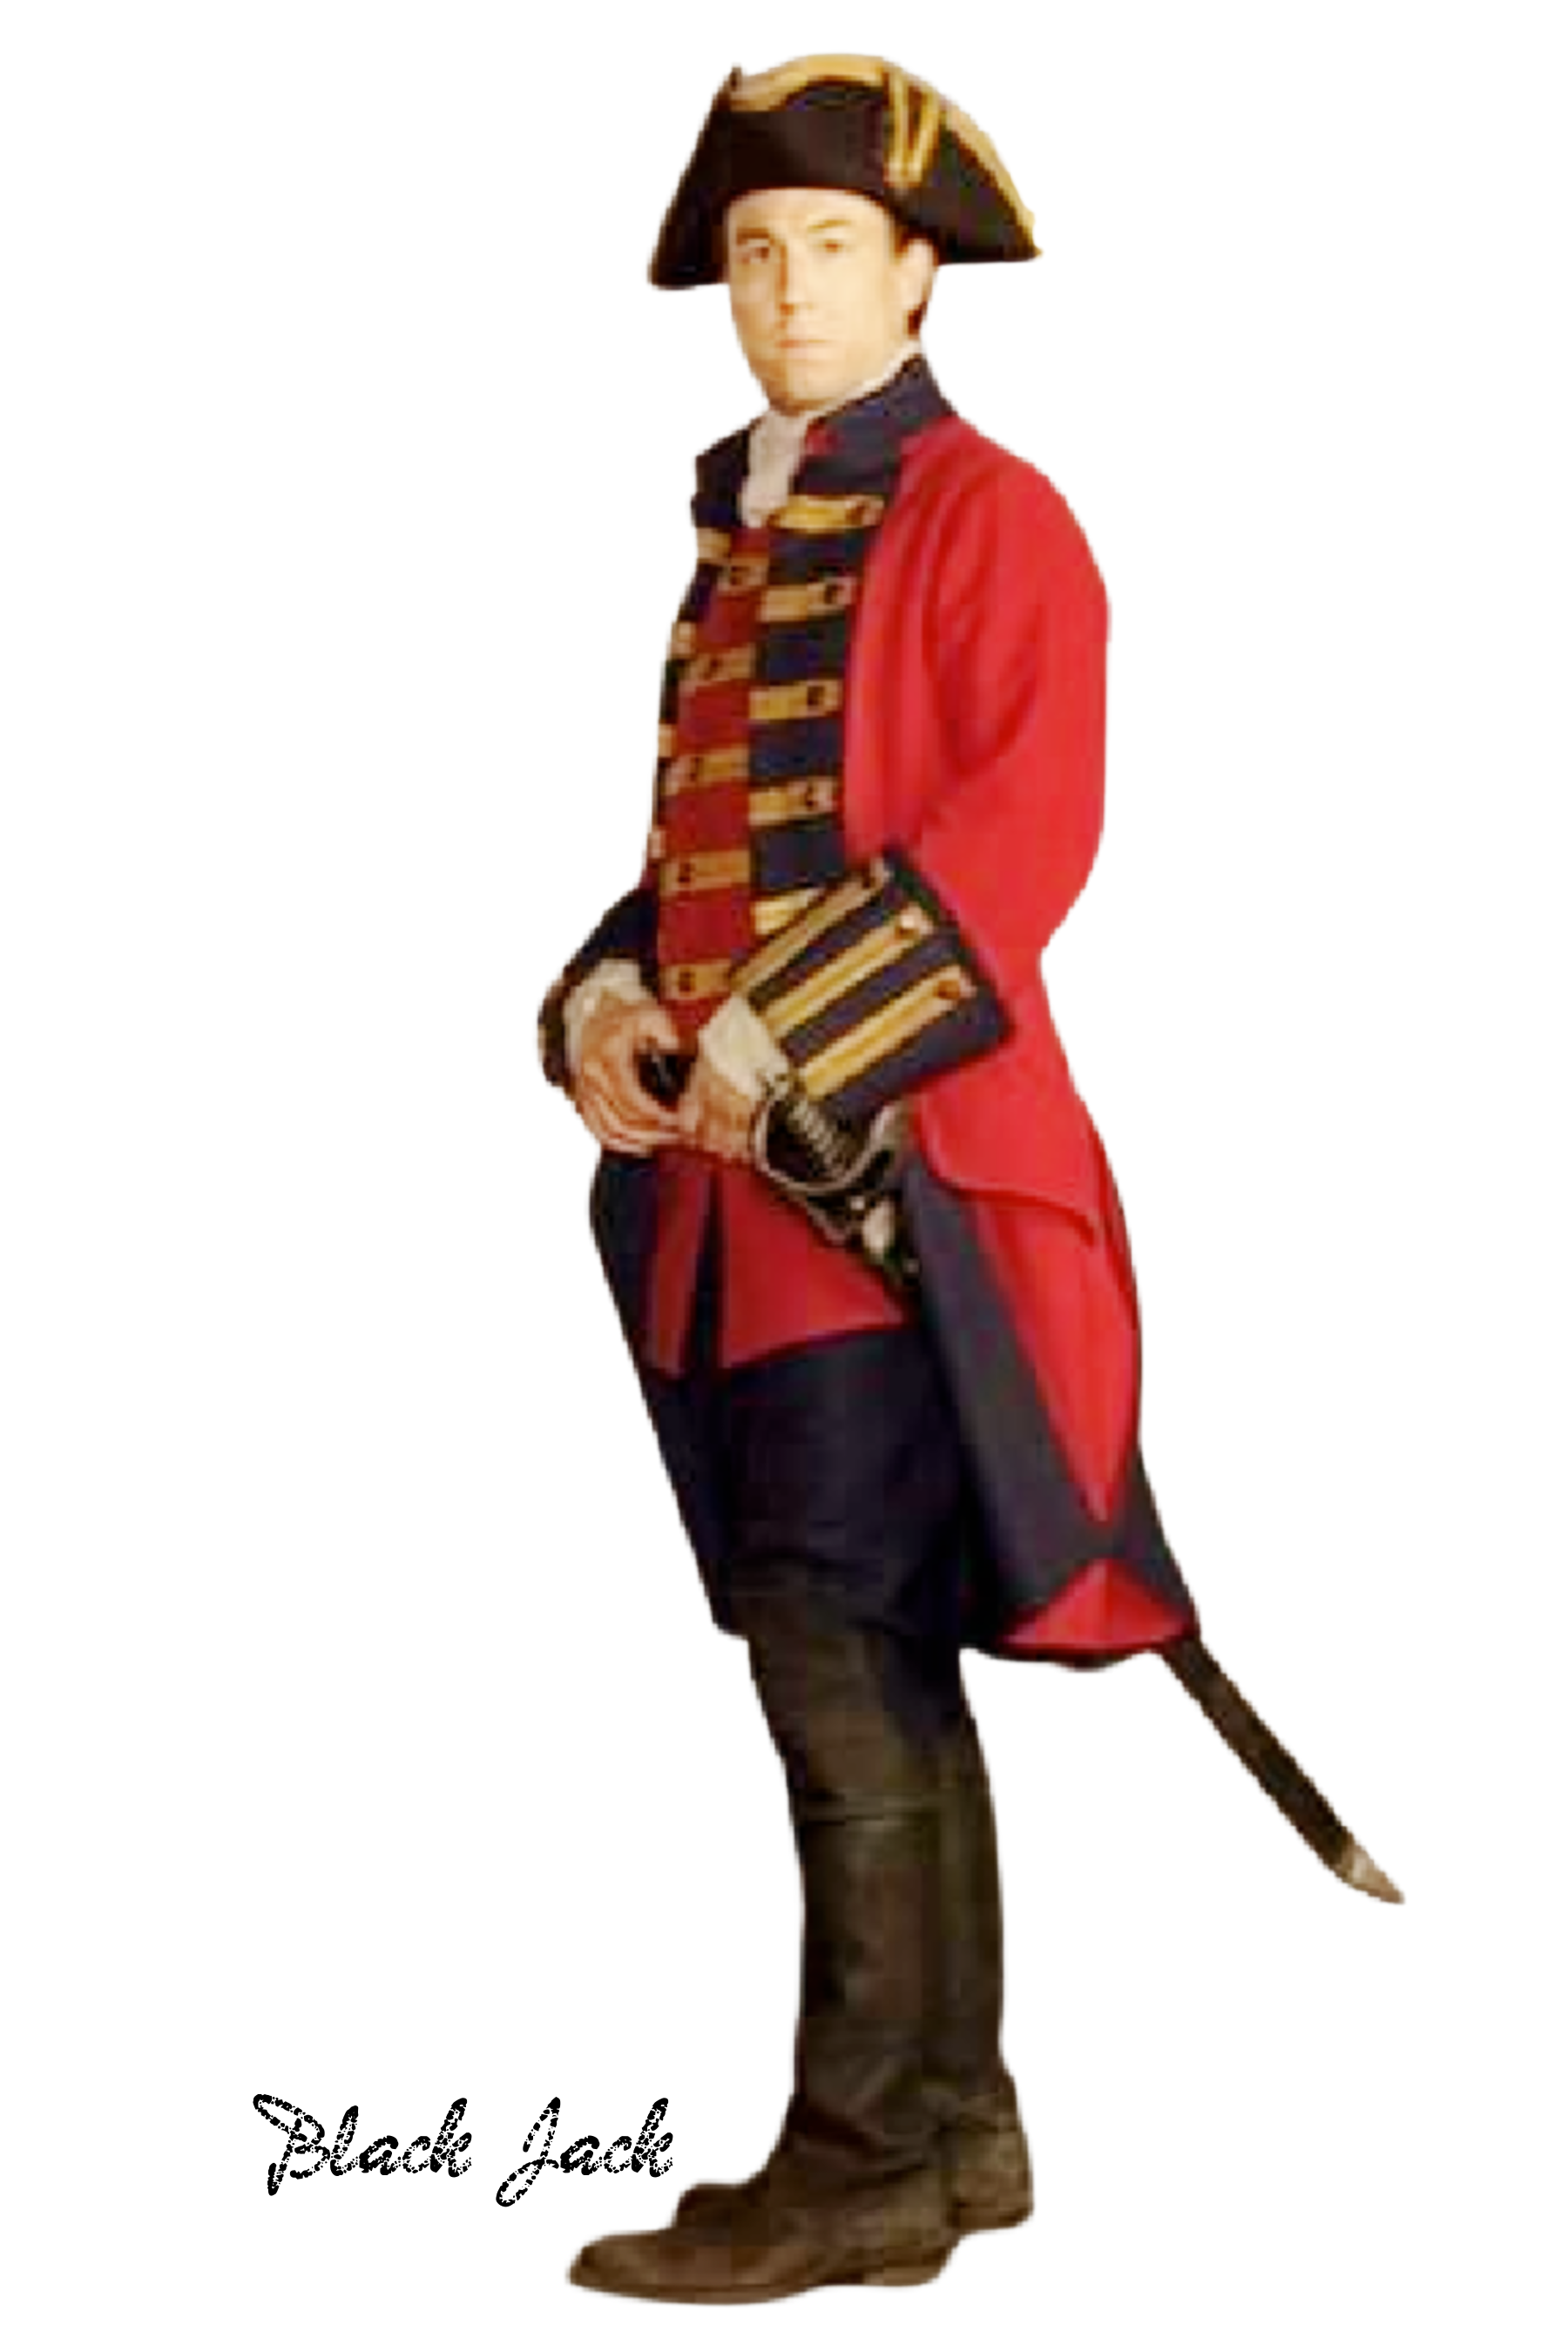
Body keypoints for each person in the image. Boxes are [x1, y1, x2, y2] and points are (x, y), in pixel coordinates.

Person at [537, 52, 1201, 2303]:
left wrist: (772, 1036)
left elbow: (1021, 848)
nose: (788, 289)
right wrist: (606, 1006)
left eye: (830, 246)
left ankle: (857, 2166)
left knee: (843, 1654)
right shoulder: (736, 535)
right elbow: (689, 866)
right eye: (755, 251)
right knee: (865, 1656)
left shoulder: (998, 510)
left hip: (899, 1190)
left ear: (918, 275)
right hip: (734, 1211)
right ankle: (958, 2130)